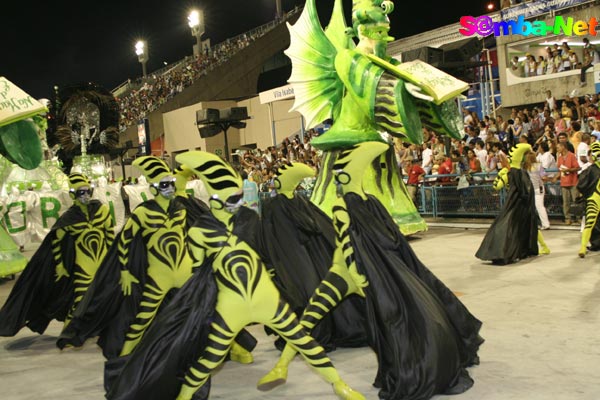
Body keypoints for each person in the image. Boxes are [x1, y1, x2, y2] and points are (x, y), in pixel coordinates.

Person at [107, 150, 365, 400]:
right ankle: (183, 395)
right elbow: (199, 274)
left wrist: (280, 281)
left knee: (303, 339)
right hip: (231, 304)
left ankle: (339, 385)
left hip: (266, 297)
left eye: (240, 197)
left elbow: (264, 253)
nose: (240, 203)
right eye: (233, 199)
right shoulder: (199, 232)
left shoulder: (248, 219)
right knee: (210, 357)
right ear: (217, 200)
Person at [258, 142, 483, 400]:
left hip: (346, 274)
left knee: (312, 316)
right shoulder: (370, 201)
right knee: (379, 318)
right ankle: (282, 367)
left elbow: (345, 243)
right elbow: (389, 239)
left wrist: (357, 274)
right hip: (359, 274)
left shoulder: (343, 205)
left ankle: (282, 366)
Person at [0, 173, 114, 336]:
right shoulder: (69, 218)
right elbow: (57, 243)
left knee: (105, 296)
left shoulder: (101, 210)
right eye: (81, 192)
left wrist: (112, 258)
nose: (86, 195)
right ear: (73, 195)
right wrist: (61, 266)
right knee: (80, 298)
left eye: (88, 191)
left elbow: (109, 234)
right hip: (83, 265)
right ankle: (71, 331)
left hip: (102, 262)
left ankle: (99, 326)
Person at [476, 143, 550, 265]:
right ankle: (543, 247)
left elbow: (497, 187)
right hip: (524, 204)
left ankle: (509, 250)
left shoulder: (511, 172)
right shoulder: (522, 172)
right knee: (530, 225)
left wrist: (500, 176)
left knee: (513, 227)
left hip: (516, 205)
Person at [576, 142, 600, 257]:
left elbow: (581, 185)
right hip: (595, 199)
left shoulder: (591, 169)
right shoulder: (591, 169)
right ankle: (585, 247)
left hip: (593, 199)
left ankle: (583, 248)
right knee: (592, 224)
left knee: (590, 224)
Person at [554, 142, 580, 224]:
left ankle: (578, 217)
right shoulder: (560, 158)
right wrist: (555, 177)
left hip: (573, 182)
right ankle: (567, 218)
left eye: (558, 147)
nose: (557, 149)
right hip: (564, 182)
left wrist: (568, 170)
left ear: (563, 147)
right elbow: (560, 170)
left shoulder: (572, 155)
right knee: (566, 202)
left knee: (576, 201)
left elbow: (577, 168)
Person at [524, 151, 550, 230]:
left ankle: (545, 224)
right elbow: (543, 177)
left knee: (538, 207)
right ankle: (542, 224)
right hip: (535, 188)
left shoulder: (525, 167)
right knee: (538, 207)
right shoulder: (538, 166)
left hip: (535, 189)